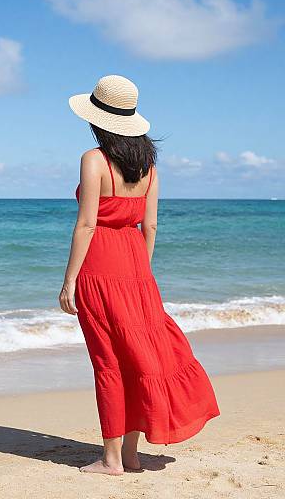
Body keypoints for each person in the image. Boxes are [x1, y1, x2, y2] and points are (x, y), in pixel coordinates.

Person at [60, 75, 219, 475]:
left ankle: (112, 459)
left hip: (100, 266)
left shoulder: (93, 160)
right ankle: (129, 454)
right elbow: (150, 228)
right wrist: (140, 275)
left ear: (97, 120)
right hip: (137, 267)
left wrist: (68, 282)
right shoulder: (149, 167)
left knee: (109, 363)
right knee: (135, 359)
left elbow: (86, 226)